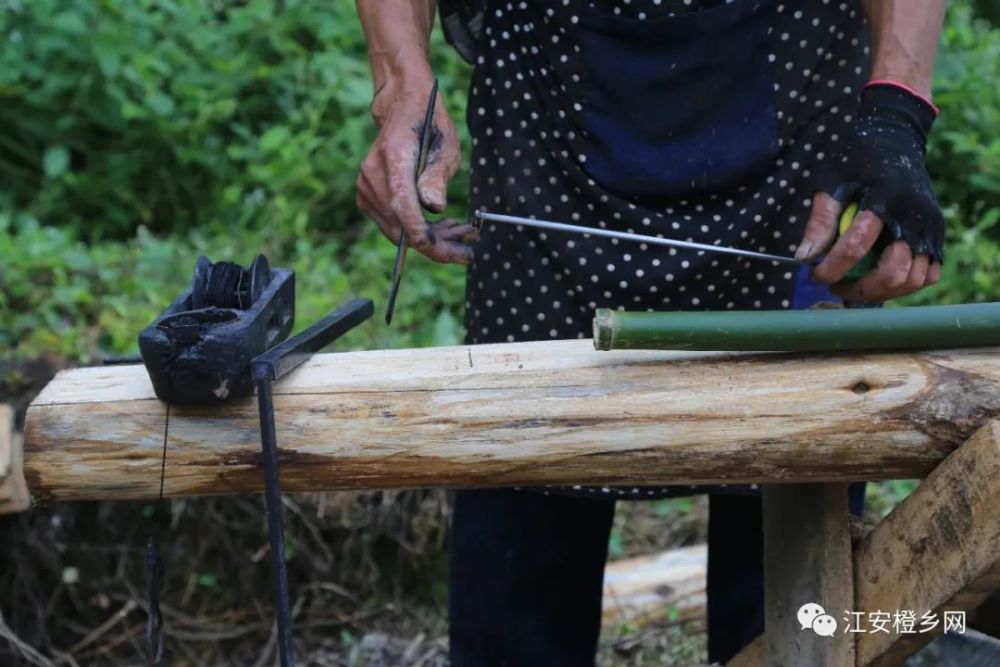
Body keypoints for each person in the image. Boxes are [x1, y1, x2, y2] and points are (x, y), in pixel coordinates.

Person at [355, 0, 947, 663]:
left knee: (794, 513)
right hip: (541, 108)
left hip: (795, 108)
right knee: (522, 485)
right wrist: (402, 82)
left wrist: (895, 114)